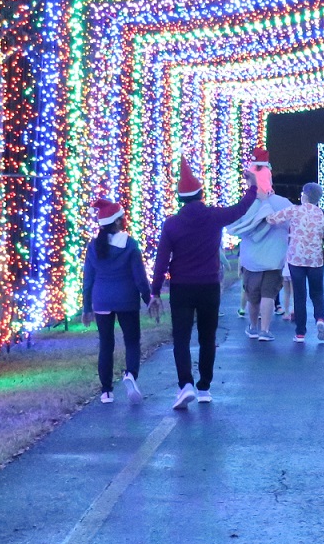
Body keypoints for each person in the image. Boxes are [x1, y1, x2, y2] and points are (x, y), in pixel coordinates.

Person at [149, 159, 260, 408]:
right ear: (201, 194)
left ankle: (185, 384)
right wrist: (252, 186)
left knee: (181, 337)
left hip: (181, 288)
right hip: (209, 286)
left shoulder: (172, 224)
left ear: (180, 198)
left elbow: (162, 260)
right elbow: (240, 209)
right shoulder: (213, 216)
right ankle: (204, 387)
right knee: (207, 337)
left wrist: (155, 291)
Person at [80, 196, 150, 403]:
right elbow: (139, 277)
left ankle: (106, 391)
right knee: (131, 341)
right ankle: (130, 374)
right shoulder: (129, 244)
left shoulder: (93, 247)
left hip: (101, 300)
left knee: (106, 344)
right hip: (126, 299)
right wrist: (149, 299)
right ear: (118, 222)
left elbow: (88, 279)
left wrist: (86, 308)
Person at [229, 147, 294, 342]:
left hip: (251, 259)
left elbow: (236, 225)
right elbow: (292, 227)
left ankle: (253, 326)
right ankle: (265, 330)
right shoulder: (283, 203)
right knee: (268, 295)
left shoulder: (245, 205)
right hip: (275, 258)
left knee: (253, 295)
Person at [261, 182, 324, 340]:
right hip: (316, 260)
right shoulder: (322, 213)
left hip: (296, 259)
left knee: (299, 295)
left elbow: (271, 219)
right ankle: (320, 319)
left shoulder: (294, 210)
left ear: (306, 195)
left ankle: (300, 332)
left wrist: (267, 201)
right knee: (317, 292)